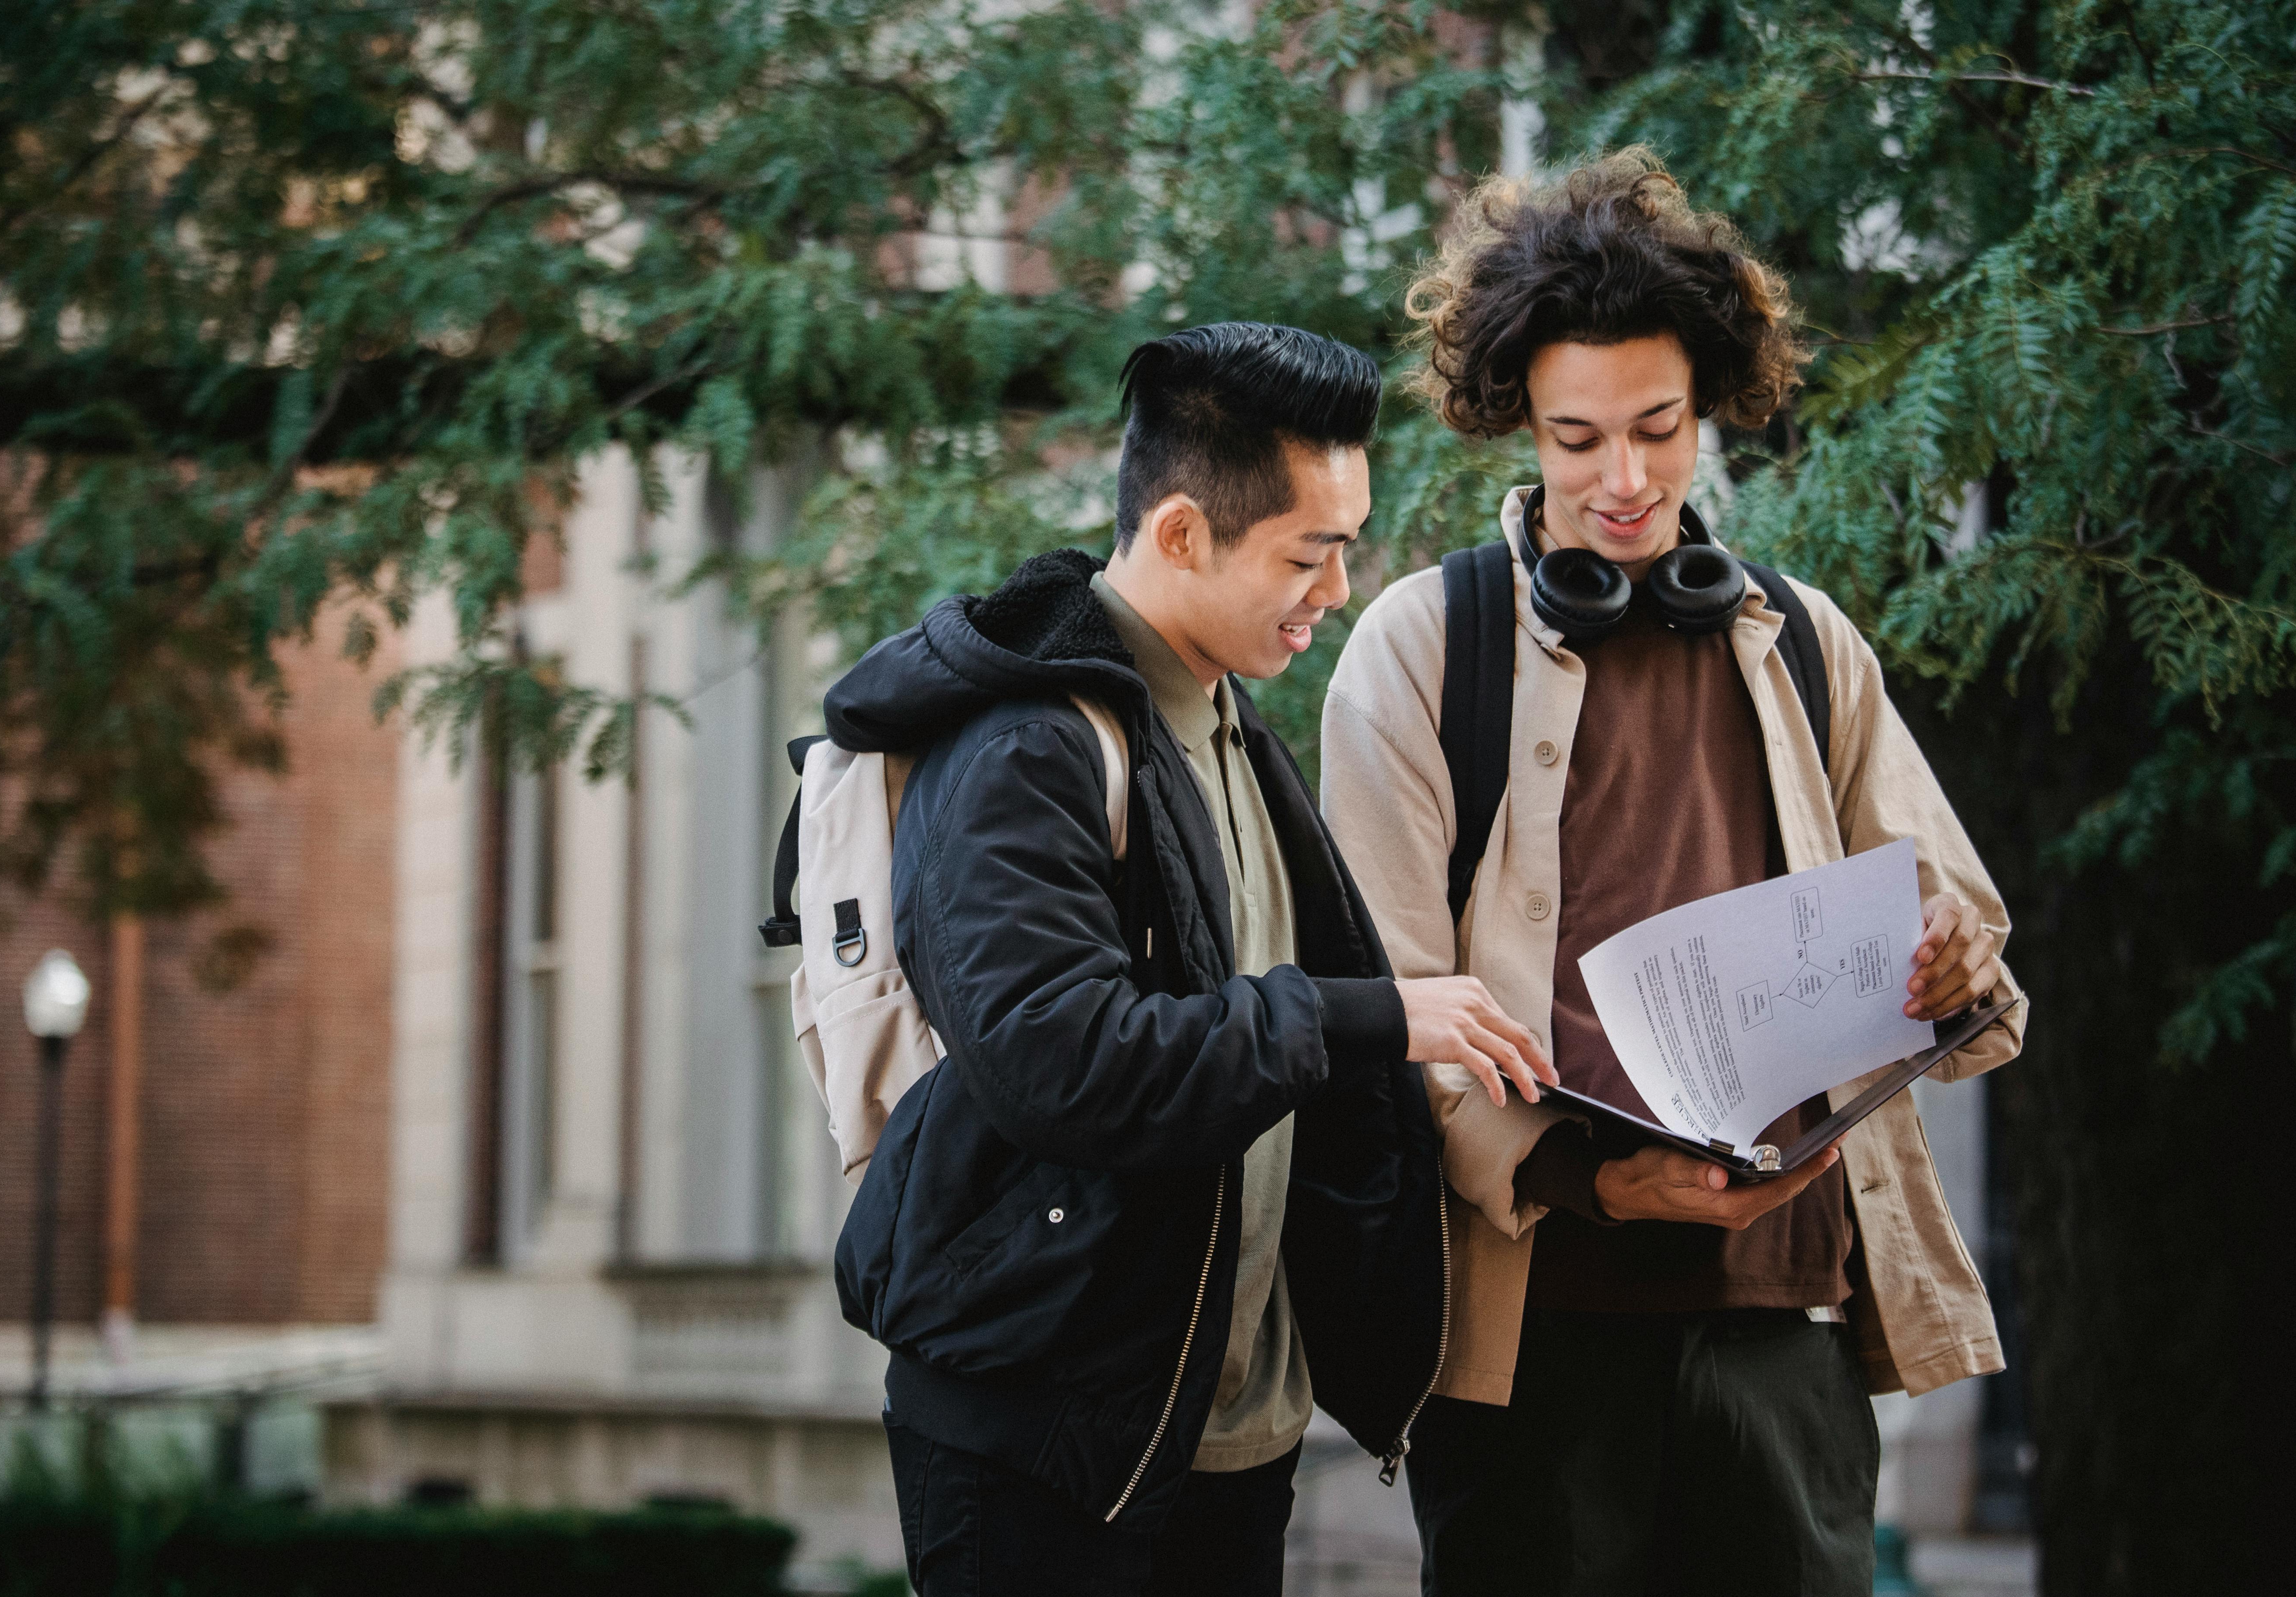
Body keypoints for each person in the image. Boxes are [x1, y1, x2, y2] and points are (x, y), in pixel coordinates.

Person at [1320, 151, 2029, 1596]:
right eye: (1578, 440)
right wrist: (1595, 1177)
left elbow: (1966, 947)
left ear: (1714, 403)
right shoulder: (1417, 648)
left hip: (1789, 1321)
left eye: (1660, 427)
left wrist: (1953, 956)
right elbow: (1380, 1016)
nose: (1625, 481)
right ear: (1519, 419)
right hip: (1536, 1335)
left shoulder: (1808, 641)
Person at [827, 322, 1553, 1597]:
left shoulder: (1226, 726)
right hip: (1047, 1439)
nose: (1338, 590)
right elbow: (1062, 1059)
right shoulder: (1024, 748)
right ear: (1178, 534)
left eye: (1347, 547)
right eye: (1308, 555)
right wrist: (1369, 1018)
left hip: (1225, 1439)